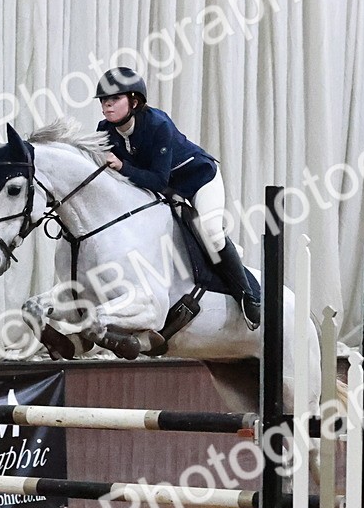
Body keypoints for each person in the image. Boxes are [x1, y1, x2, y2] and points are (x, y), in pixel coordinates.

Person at [94, 67, 261, 328]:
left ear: (134, 101)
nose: (107, 106)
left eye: (113, 100)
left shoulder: (158, 124)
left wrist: (122, 167)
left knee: (211, 231)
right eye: (104, 101)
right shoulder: (105, 130)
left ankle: (248, 298)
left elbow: (158, 180)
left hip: (199, 180)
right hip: (168, 191)